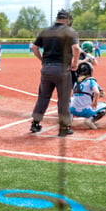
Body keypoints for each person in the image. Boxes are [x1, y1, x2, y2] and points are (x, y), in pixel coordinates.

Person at [29, 9, 80, 137]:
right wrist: (75, 63)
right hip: (62, 69)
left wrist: (42, 59)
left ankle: (35, 123)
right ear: (67, 20)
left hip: (46, 69)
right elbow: (76, 48)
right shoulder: (70, 32)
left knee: (43, 96)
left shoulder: (46, 31)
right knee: (63, 99)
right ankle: (63, 128)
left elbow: (34, 47)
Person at [70, 62, 106, 129]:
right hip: (86, 111)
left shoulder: (75, 82)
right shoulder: (91, 81)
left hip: (73, 110)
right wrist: (95, 102)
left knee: (70, 99)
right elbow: (97, 92)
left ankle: (69, 120)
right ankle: (91, 120)